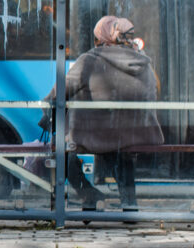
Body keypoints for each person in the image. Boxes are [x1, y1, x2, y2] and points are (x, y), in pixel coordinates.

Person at [52, 15, 163, 211]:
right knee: (121, 151)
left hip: (95, 135)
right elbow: (152, 94)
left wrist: (46, 105)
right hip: (136, 134)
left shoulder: (90, 61)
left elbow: (60, 90)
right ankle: (129, 203)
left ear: (102, 38)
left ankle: (90, 195)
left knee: (64, 154)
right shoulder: (144, 63)